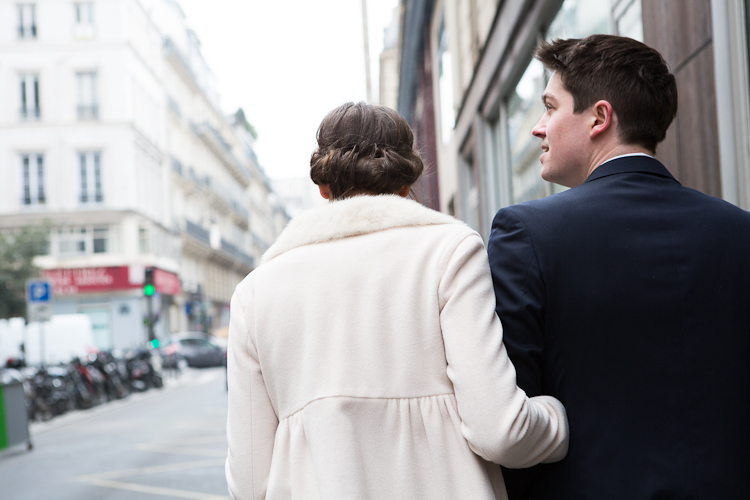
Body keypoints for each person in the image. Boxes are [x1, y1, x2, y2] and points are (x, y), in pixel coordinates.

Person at [226, 102, 569, 499]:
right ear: (407, 184)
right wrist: (557, 418)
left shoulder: (256, 292)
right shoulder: (449, 252)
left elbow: (249, 484)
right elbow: (500, 431)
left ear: (322, 187)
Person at [488, 35, 750, 499]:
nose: (537, 127)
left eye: (550, 107)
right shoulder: (738, 231)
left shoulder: (526, 234)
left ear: (599, 117)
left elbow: (512, 419)